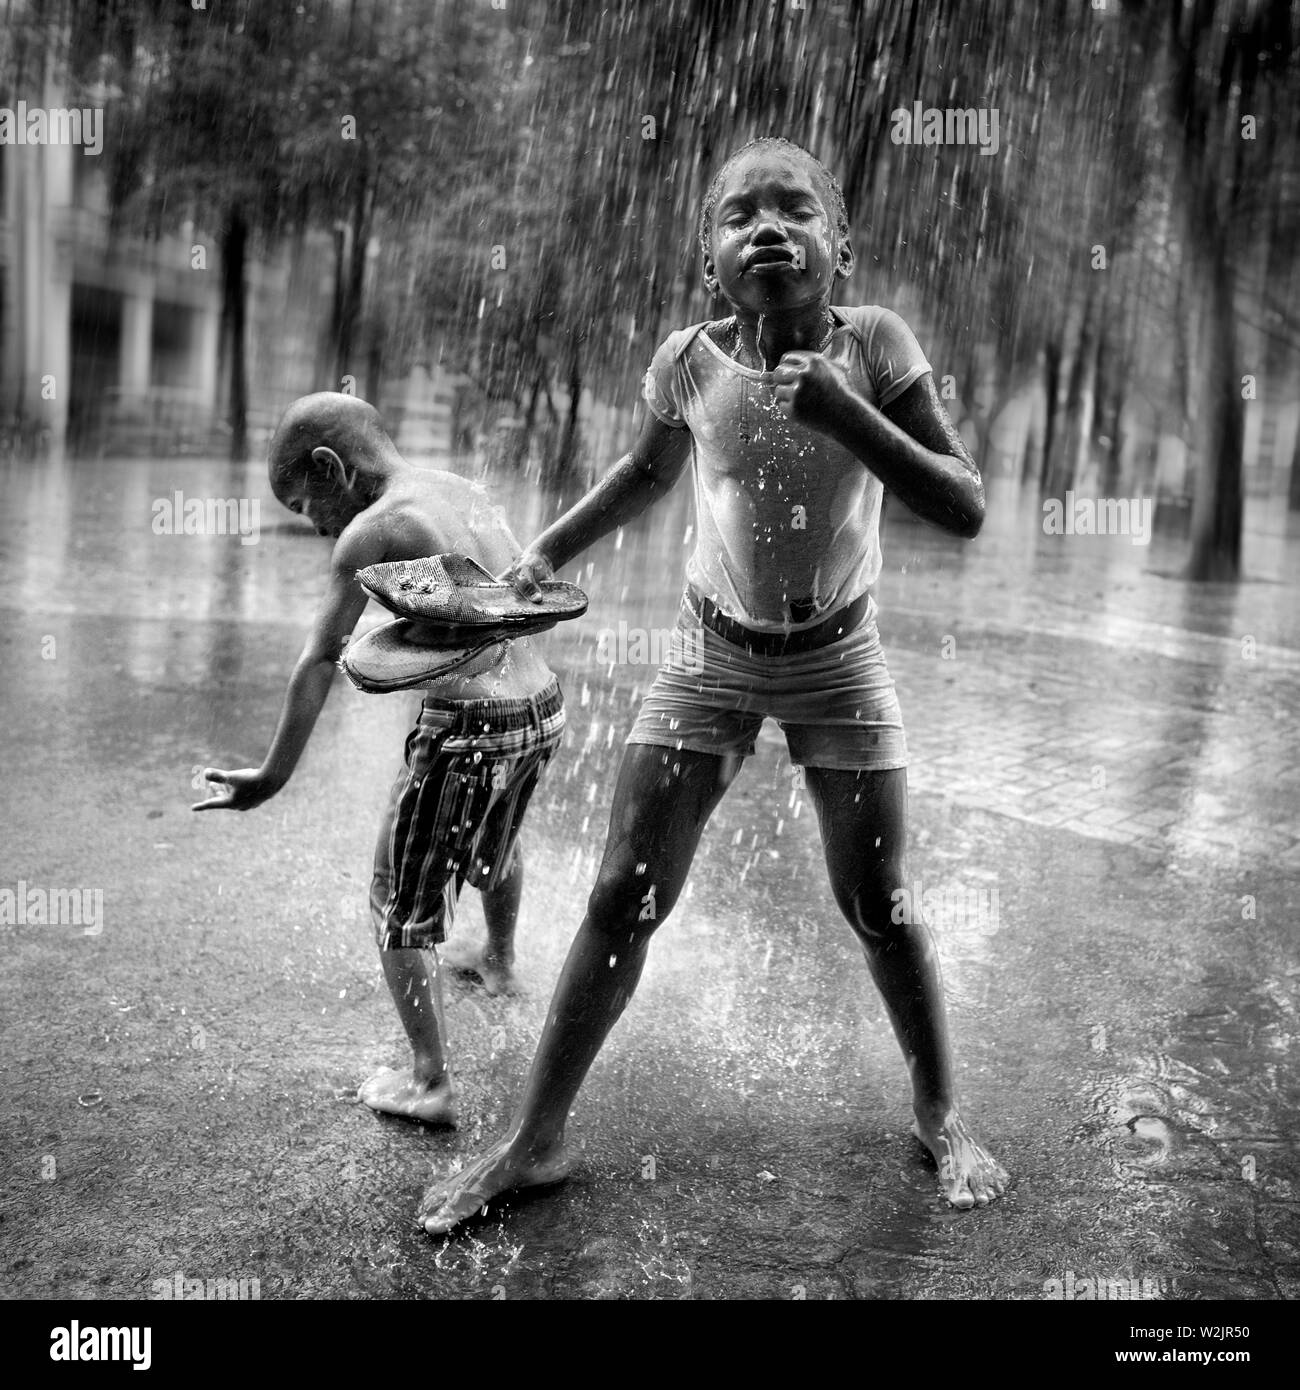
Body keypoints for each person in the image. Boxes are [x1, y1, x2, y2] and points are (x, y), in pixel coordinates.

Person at [420, 137, 1009, 1232]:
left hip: (840, 657)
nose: (769, 228)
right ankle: (536, 1136)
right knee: (618, 896)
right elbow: (644, 473)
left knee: (877, 904)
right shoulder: (688, 362)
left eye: (796, 210)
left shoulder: (874, 346)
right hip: (709, 655)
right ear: (709, 264)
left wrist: (847, 413)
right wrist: (540, 557)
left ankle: (939, 1111)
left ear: (843, 246)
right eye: (741, 216)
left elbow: (965, 503)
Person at [193, 392, 565, 1126]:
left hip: (465, 726)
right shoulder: (462, 491)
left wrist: (270, 777)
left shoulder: (373, 531)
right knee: (495, 844)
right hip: (539, 709)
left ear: (331, 467)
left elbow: (320, 658)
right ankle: (498, 960)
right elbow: (519, 596)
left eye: (307, 504)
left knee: (399, 905)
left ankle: (430, 1082)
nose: (315, 524)